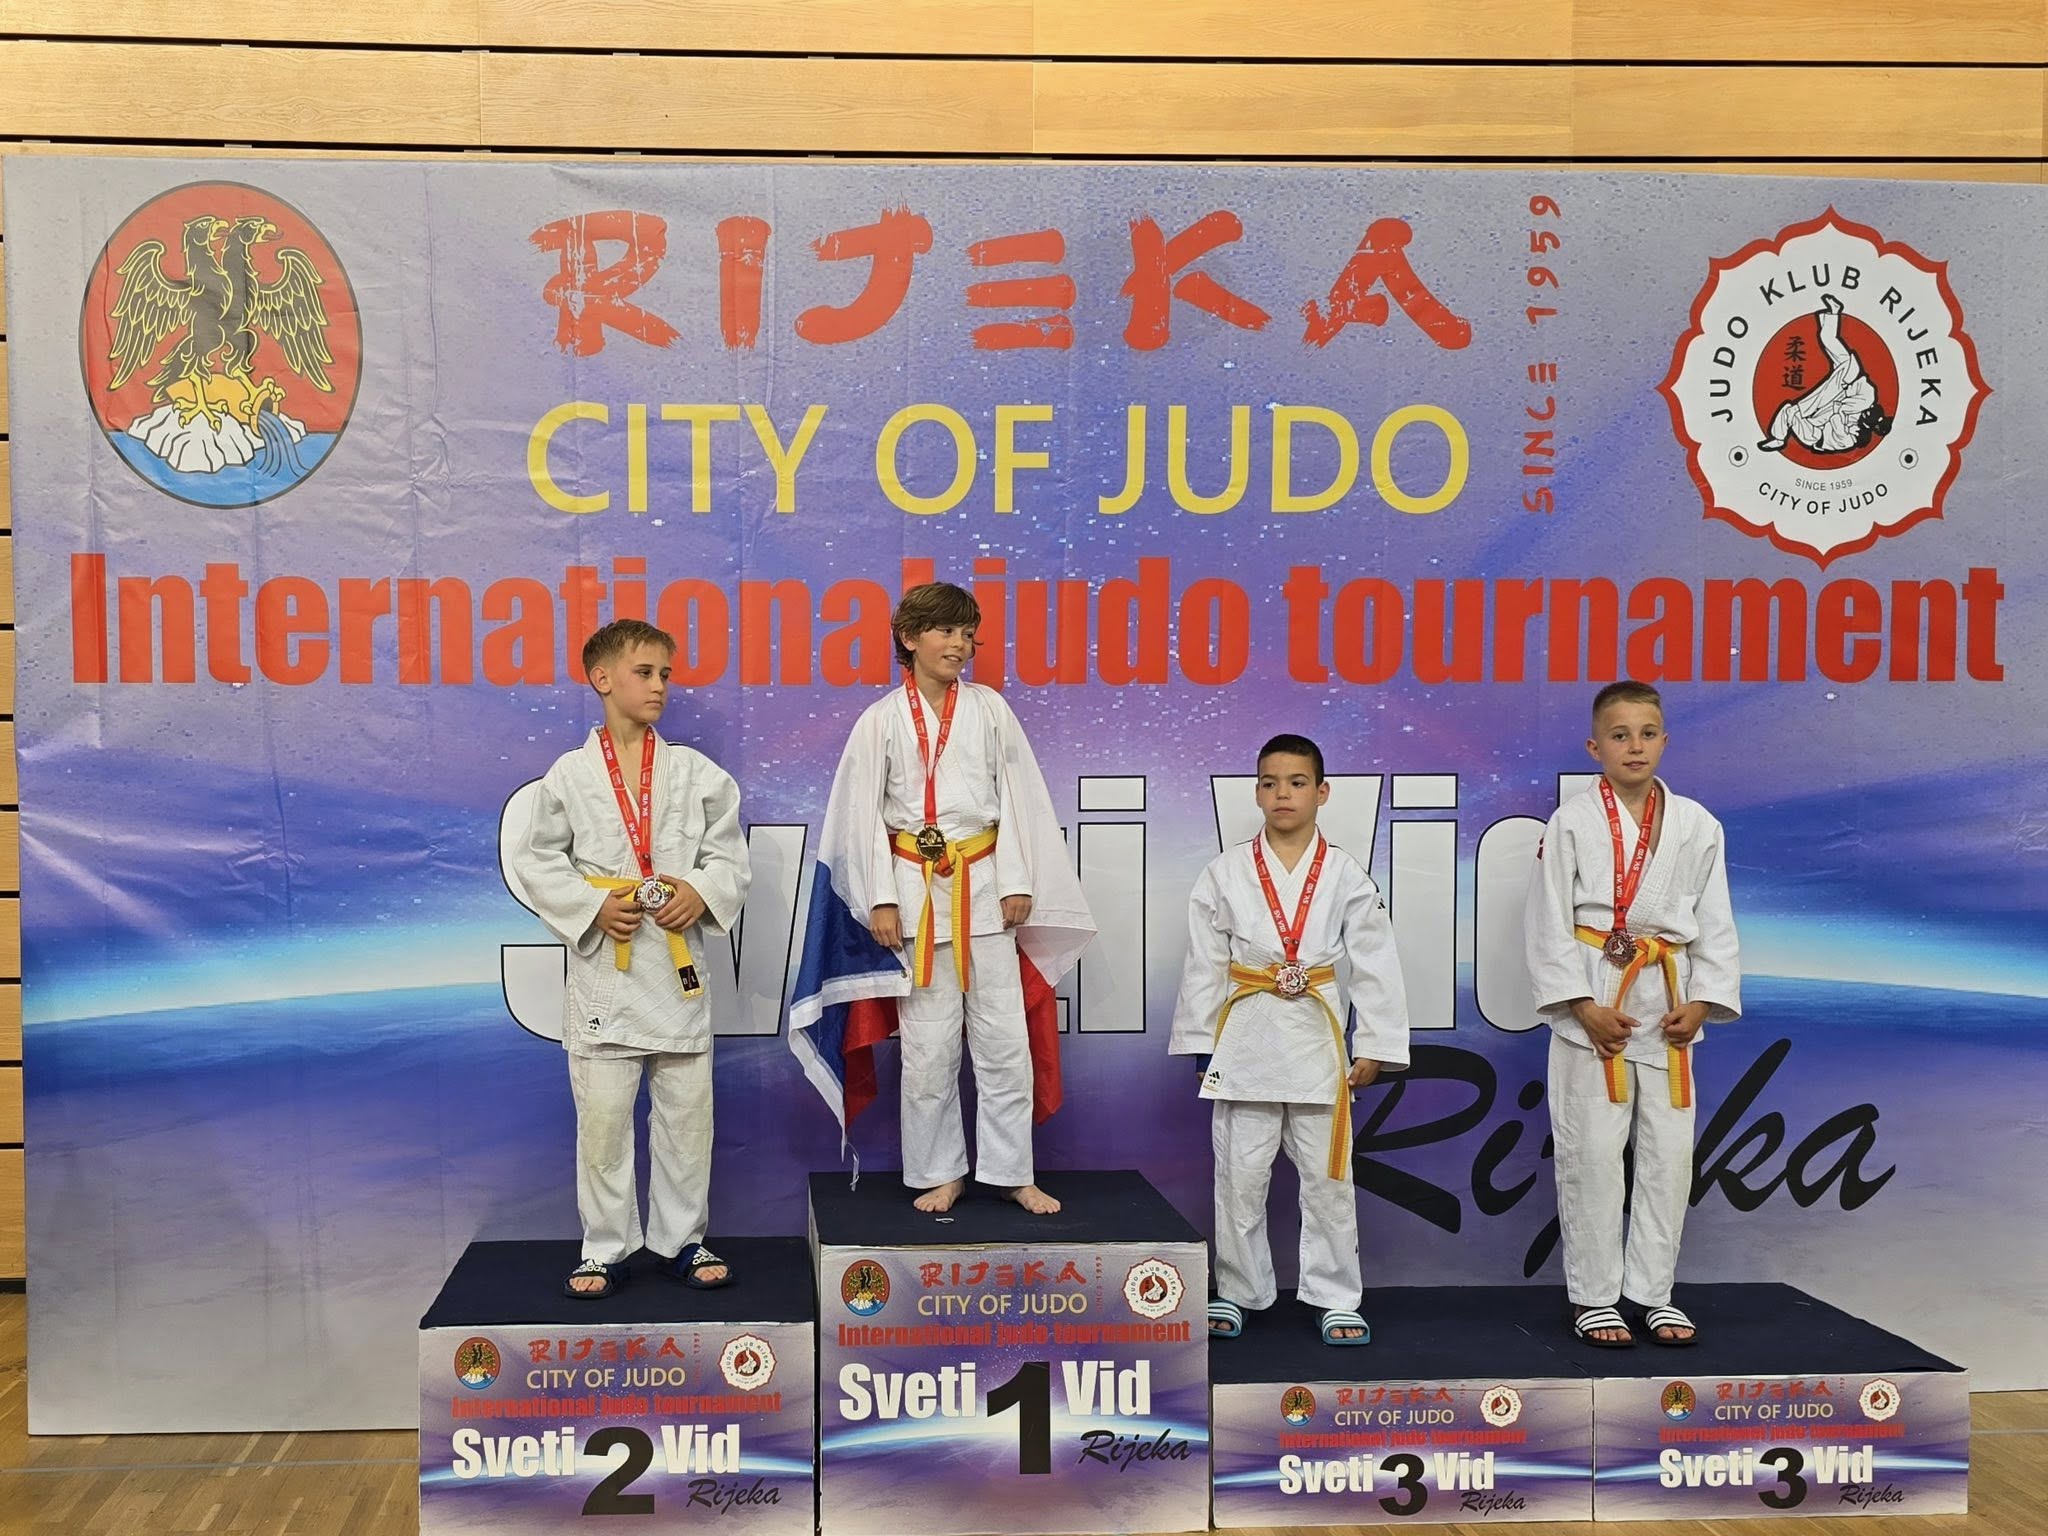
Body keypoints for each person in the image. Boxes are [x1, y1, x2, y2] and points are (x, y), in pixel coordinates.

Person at [791, 582, 1095, 1214]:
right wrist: (879, 898)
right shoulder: (879, 720)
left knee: (1004, 1041)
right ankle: (941, 1170)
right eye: (946, 631)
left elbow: (1019, 797)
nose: (960, 645)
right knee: (929, 1047)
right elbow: (858, 816)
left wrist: (1017, 881)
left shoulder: (990, 709)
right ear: (909, 638)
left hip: (984, 886)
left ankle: (1011, 1171)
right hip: (913, 894)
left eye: (968, 634)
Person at [511, 619, 752, 1299]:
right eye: (644, 672)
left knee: (686, 1119)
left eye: (665, 674)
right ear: (602, 678)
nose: (659, 686)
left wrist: (699, 891)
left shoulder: (697, 774)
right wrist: (592, 908)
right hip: (606, 971)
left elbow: (728, 857)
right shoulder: (570, 774)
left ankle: (683, 1239)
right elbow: (537, 860)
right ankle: (604, 1247)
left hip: (676, 969)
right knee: (604, 1123)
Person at [1169, 735, 1409, 1346]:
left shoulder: (1345, 873)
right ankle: (1239, 1289)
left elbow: (1376, 961)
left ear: (1321, 792)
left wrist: (1374, 1044)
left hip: (1316, 1041)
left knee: (1328, 1180)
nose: (1283, 794)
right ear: (1256, 792)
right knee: (1239, 1175)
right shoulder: (1225, 871)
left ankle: (1335, 1294)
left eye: (1297, 782)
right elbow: (1205, 963)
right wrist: (1202, 1044)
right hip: (1245, 1034)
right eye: (1270, 783)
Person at [1524, 680, 1741, 1348]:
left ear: (1664, 741)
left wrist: (1702, 1000)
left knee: (1668, 1159)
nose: (1634, 746)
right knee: (1591, 1154)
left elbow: (1716, 922)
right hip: (1596, 996)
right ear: (1596, 748)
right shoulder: (1571, 822)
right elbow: (1547, 920)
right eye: (1619, 736)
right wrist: (1581, 1005)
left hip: (1668, 997)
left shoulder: (1698, 824)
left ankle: (1654, 1293)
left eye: (1647, 734)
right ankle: (1595, 1297)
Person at [1758, 293, 1892, 455]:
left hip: (1844, 377)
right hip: (1844, 380)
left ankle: (1834, 312)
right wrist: (1834, 410)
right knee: (1806, 405)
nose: (1867, 416)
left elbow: (1836, 415)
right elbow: (1837, 409)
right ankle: (1779, 438)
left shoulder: (1852, 431)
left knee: (1827, 339)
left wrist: (1837, 413)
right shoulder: (1866, 402)